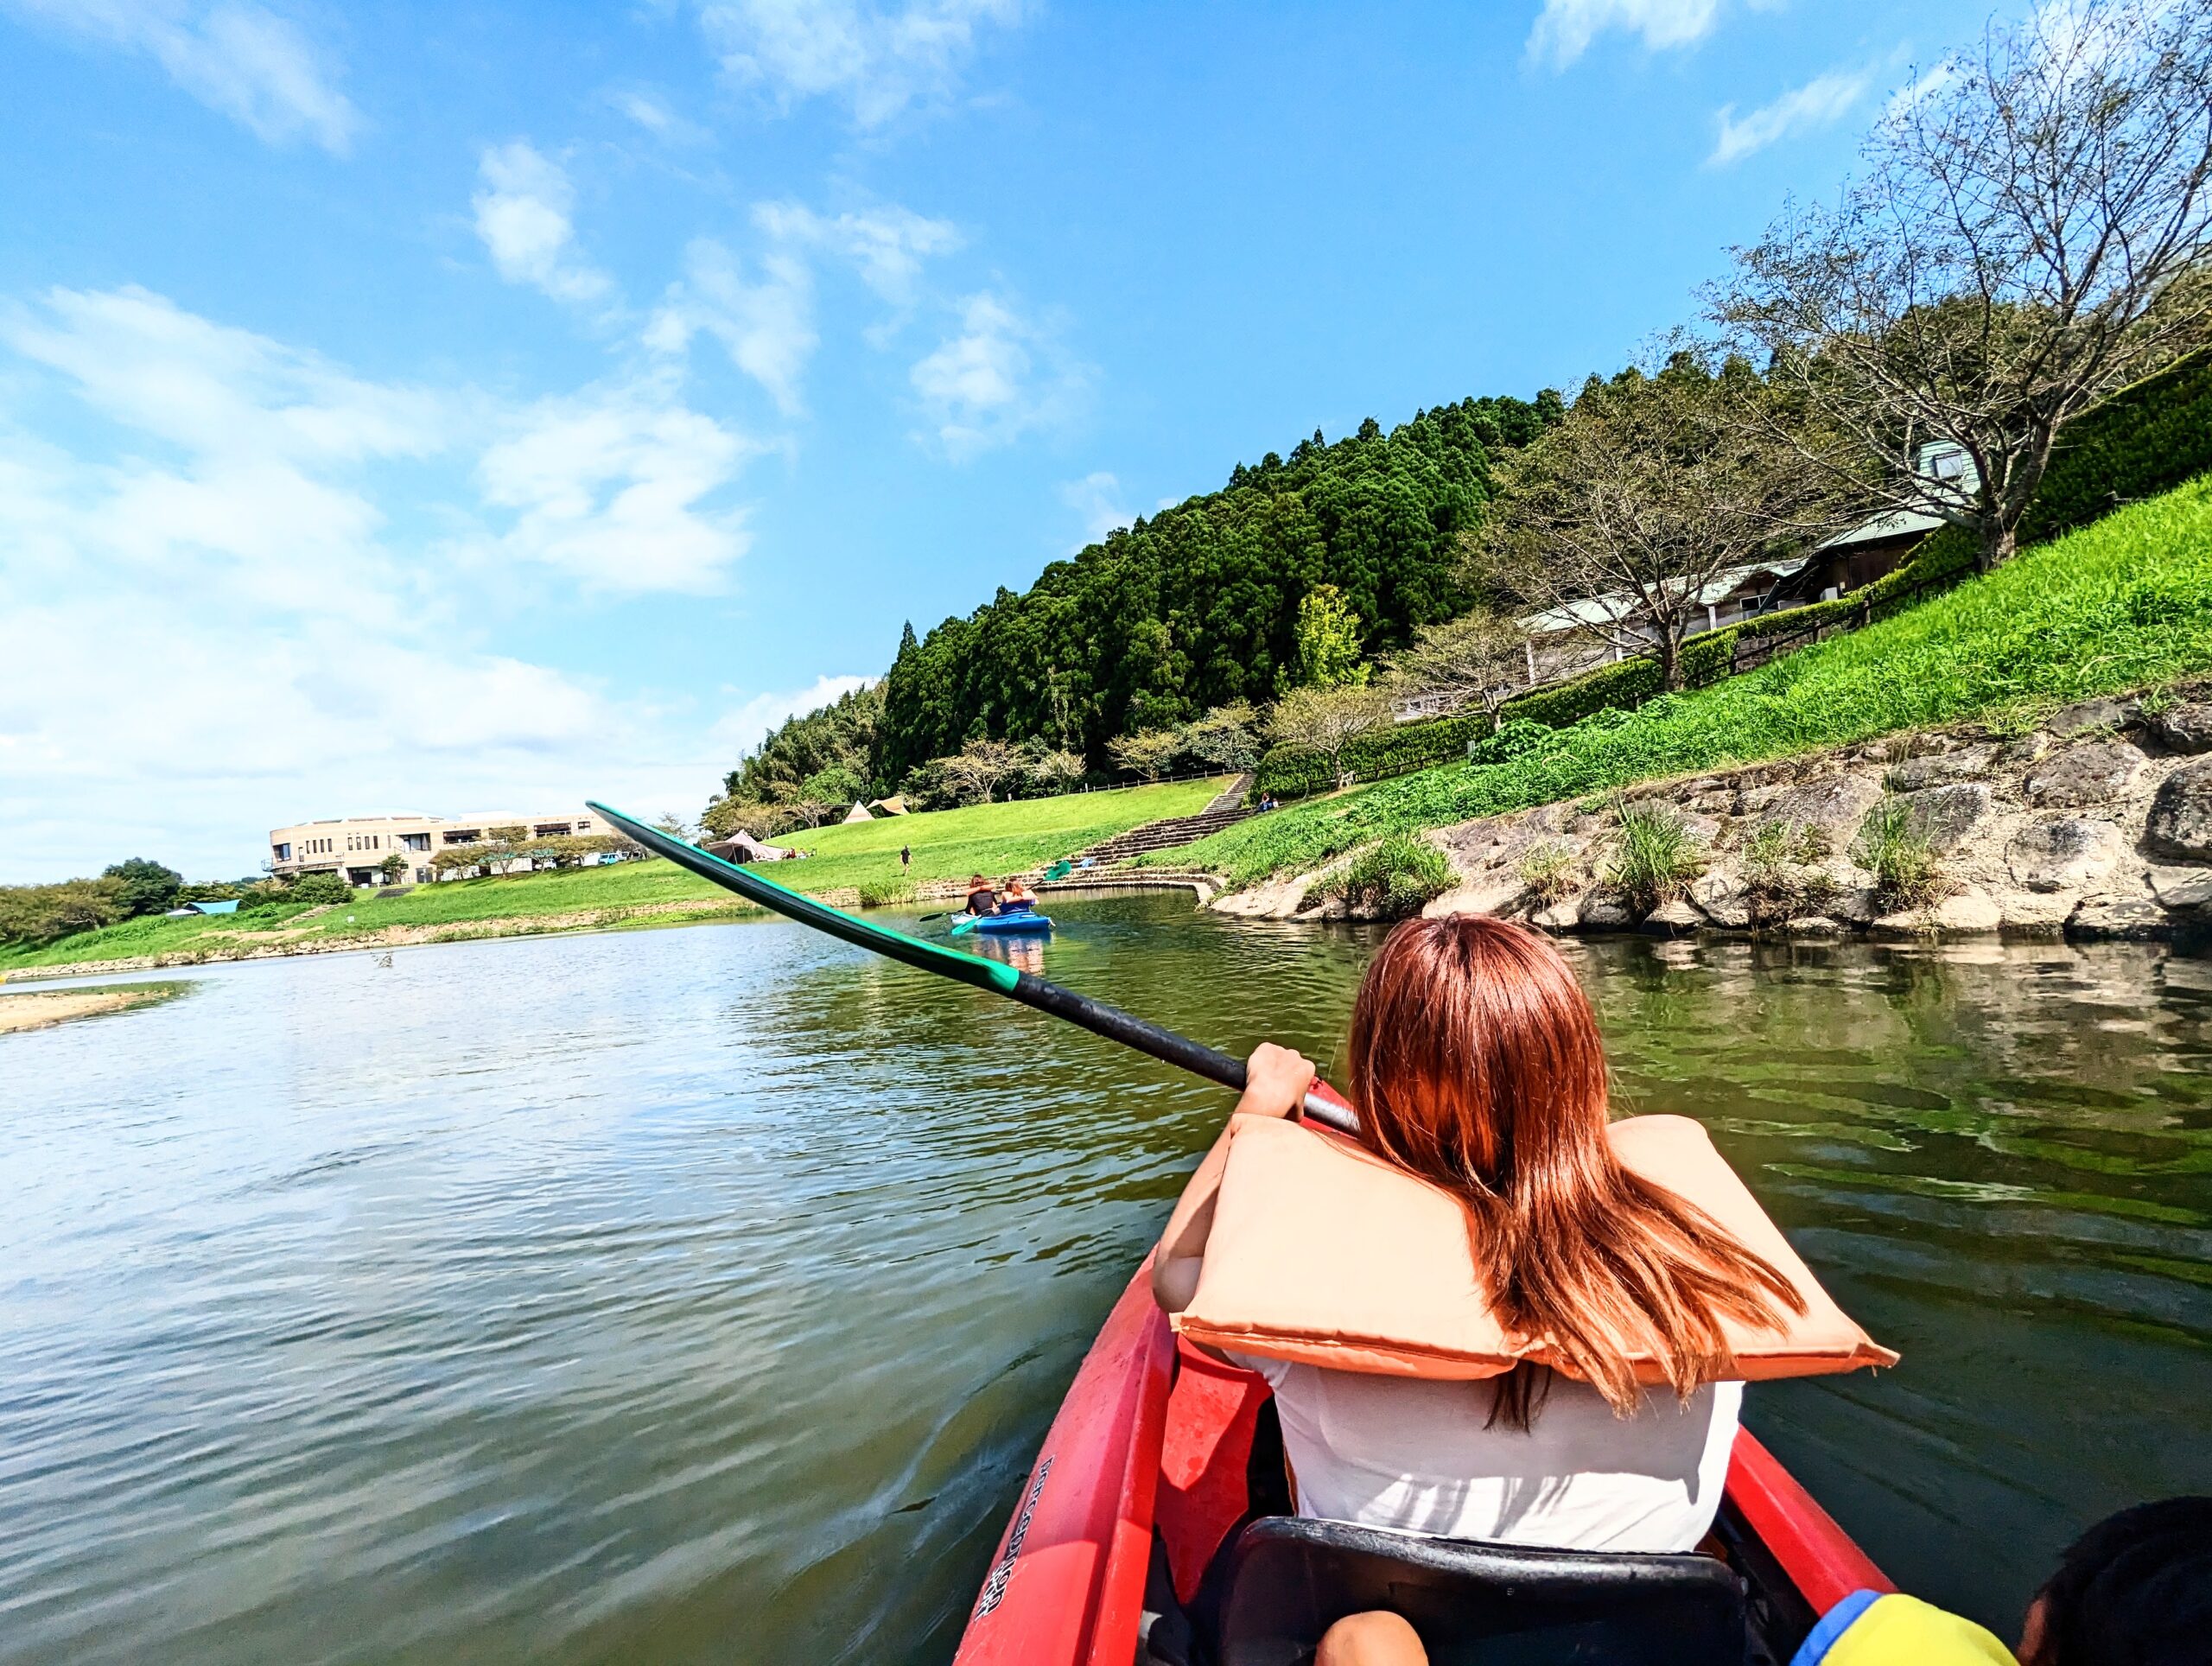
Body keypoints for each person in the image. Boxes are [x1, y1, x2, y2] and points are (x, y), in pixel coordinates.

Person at [1152, 915, 1812, 1663]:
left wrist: (1257, 1111)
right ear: (1581, 1074)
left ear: (1377, 1083)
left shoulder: (1302, 1291)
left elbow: (1177, 1272)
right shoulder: (1704, 1280)